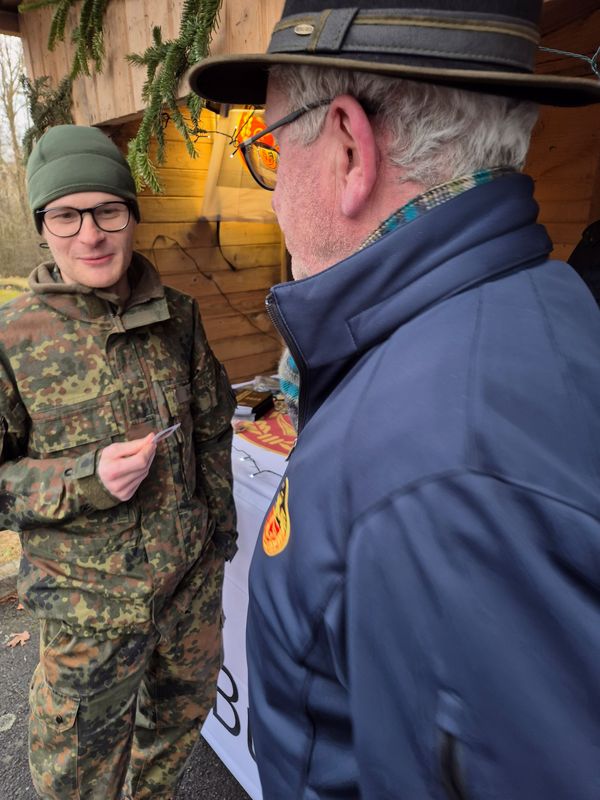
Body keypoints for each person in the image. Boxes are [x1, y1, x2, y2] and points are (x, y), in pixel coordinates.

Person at [188, 1, 600, 798]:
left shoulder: (431, 477)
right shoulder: (540, 297)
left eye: (270, 147)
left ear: (348, 146)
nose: (272, 196)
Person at [0, 124, 237, 799]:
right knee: (77, 780)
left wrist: (218, 540)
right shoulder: (14, 339)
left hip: (188, 595)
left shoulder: (180, 318)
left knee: (173, 737)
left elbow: (214, 430)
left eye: (107, 210)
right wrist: (84, 480)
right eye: (66, 215)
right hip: (86, 615)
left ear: (131, 216)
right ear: (43, 227)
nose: (91, 234)